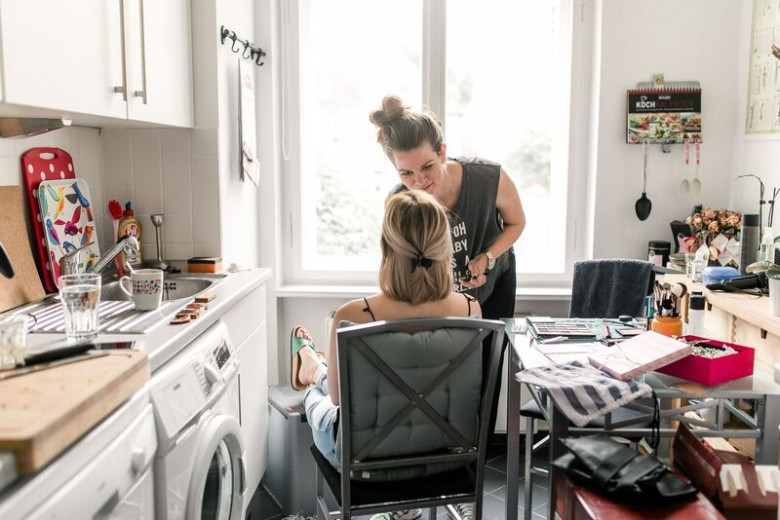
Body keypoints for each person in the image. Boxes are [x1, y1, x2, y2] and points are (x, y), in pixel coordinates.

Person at [369, 95, 525, 520]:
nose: (419, 181)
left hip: (492, 290)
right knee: (428, 383)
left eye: (426, 167)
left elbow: (517, 223)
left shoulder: (488, 178)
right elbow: (395, 262)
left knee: (482, 385)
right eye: (405, 173)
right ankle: (412, 491)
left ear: (442, 151)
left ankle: (466, 484)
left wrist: (486, 259)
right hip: (433, 298)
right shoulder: (399, 200)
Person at [289, 190, 481, 520]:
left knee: (315, 394)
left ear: (385, 246)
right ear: (444, 248)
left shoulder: (353, 315)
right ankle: (312, 363)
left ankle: (310, 366)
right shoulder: (470, 309)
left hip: (364, 463)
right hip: (445, 455)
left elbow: (337, 398)